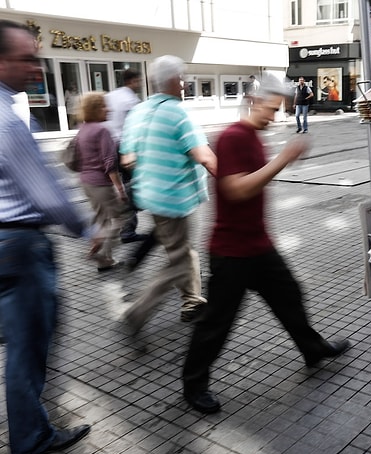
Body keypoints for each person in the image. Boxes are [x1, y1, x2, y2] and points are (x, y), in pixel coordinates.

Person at [181, 75, 350, 414]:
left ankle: (312, 349)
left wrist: (278, 160)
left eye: (279, 111)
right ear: (254, 101)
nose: (274, 117)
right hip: (231, 251)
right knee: (217, 322)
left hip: (257, 244)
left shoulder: (253, 137)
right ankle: (193, 385)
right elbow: (235, 189)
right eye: (271, 109)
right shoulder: (232, 137)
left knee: (290, 295)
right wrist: (282, 160)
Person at [0, 19, 91, 454]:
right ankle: (31, 438)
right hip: (19, 246)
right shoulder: (8, 121)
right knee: (28, 346)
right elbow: (48, 196)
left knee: (19, 341)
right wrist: (86, 229)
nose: (36, 68)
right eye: (27, 58)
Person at [119, 55, 217, 330]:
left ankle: (193, 300)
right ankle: (137, 312)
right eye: (182, 79)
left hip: (152, 197)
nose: (185, 84)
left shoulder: (139, 111)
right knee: (179, 260)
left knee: (184, 251)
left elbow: (127, 157)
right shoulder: (177, 112)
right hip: (177, 200)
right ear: (173, 81)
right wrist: (234, 184)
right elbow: (205, 157)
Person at [76, 91, 128, 271]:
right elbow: (109, 162)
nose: (108, 109)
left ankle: (105, 260)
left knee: (103, 220)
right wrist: (120, 189)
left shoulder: (82, 128)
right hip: (100, 183)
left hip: (86, 182)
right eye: (104, 105)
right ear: (95, 109)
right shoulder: (102, 130)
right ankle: (100, 248)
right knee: (120, 218)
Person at [105, 68, 150, 244]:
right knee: (133, 187)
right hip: (125, 147)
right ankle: (127, 229)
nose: (139, 84)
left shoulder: (111, 95)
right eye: (139, 81)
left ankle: (123, 223)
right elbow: (138, 127)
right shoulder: (132, 100)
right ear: (133, 81)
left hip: (108, 146)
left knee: (121, 186)